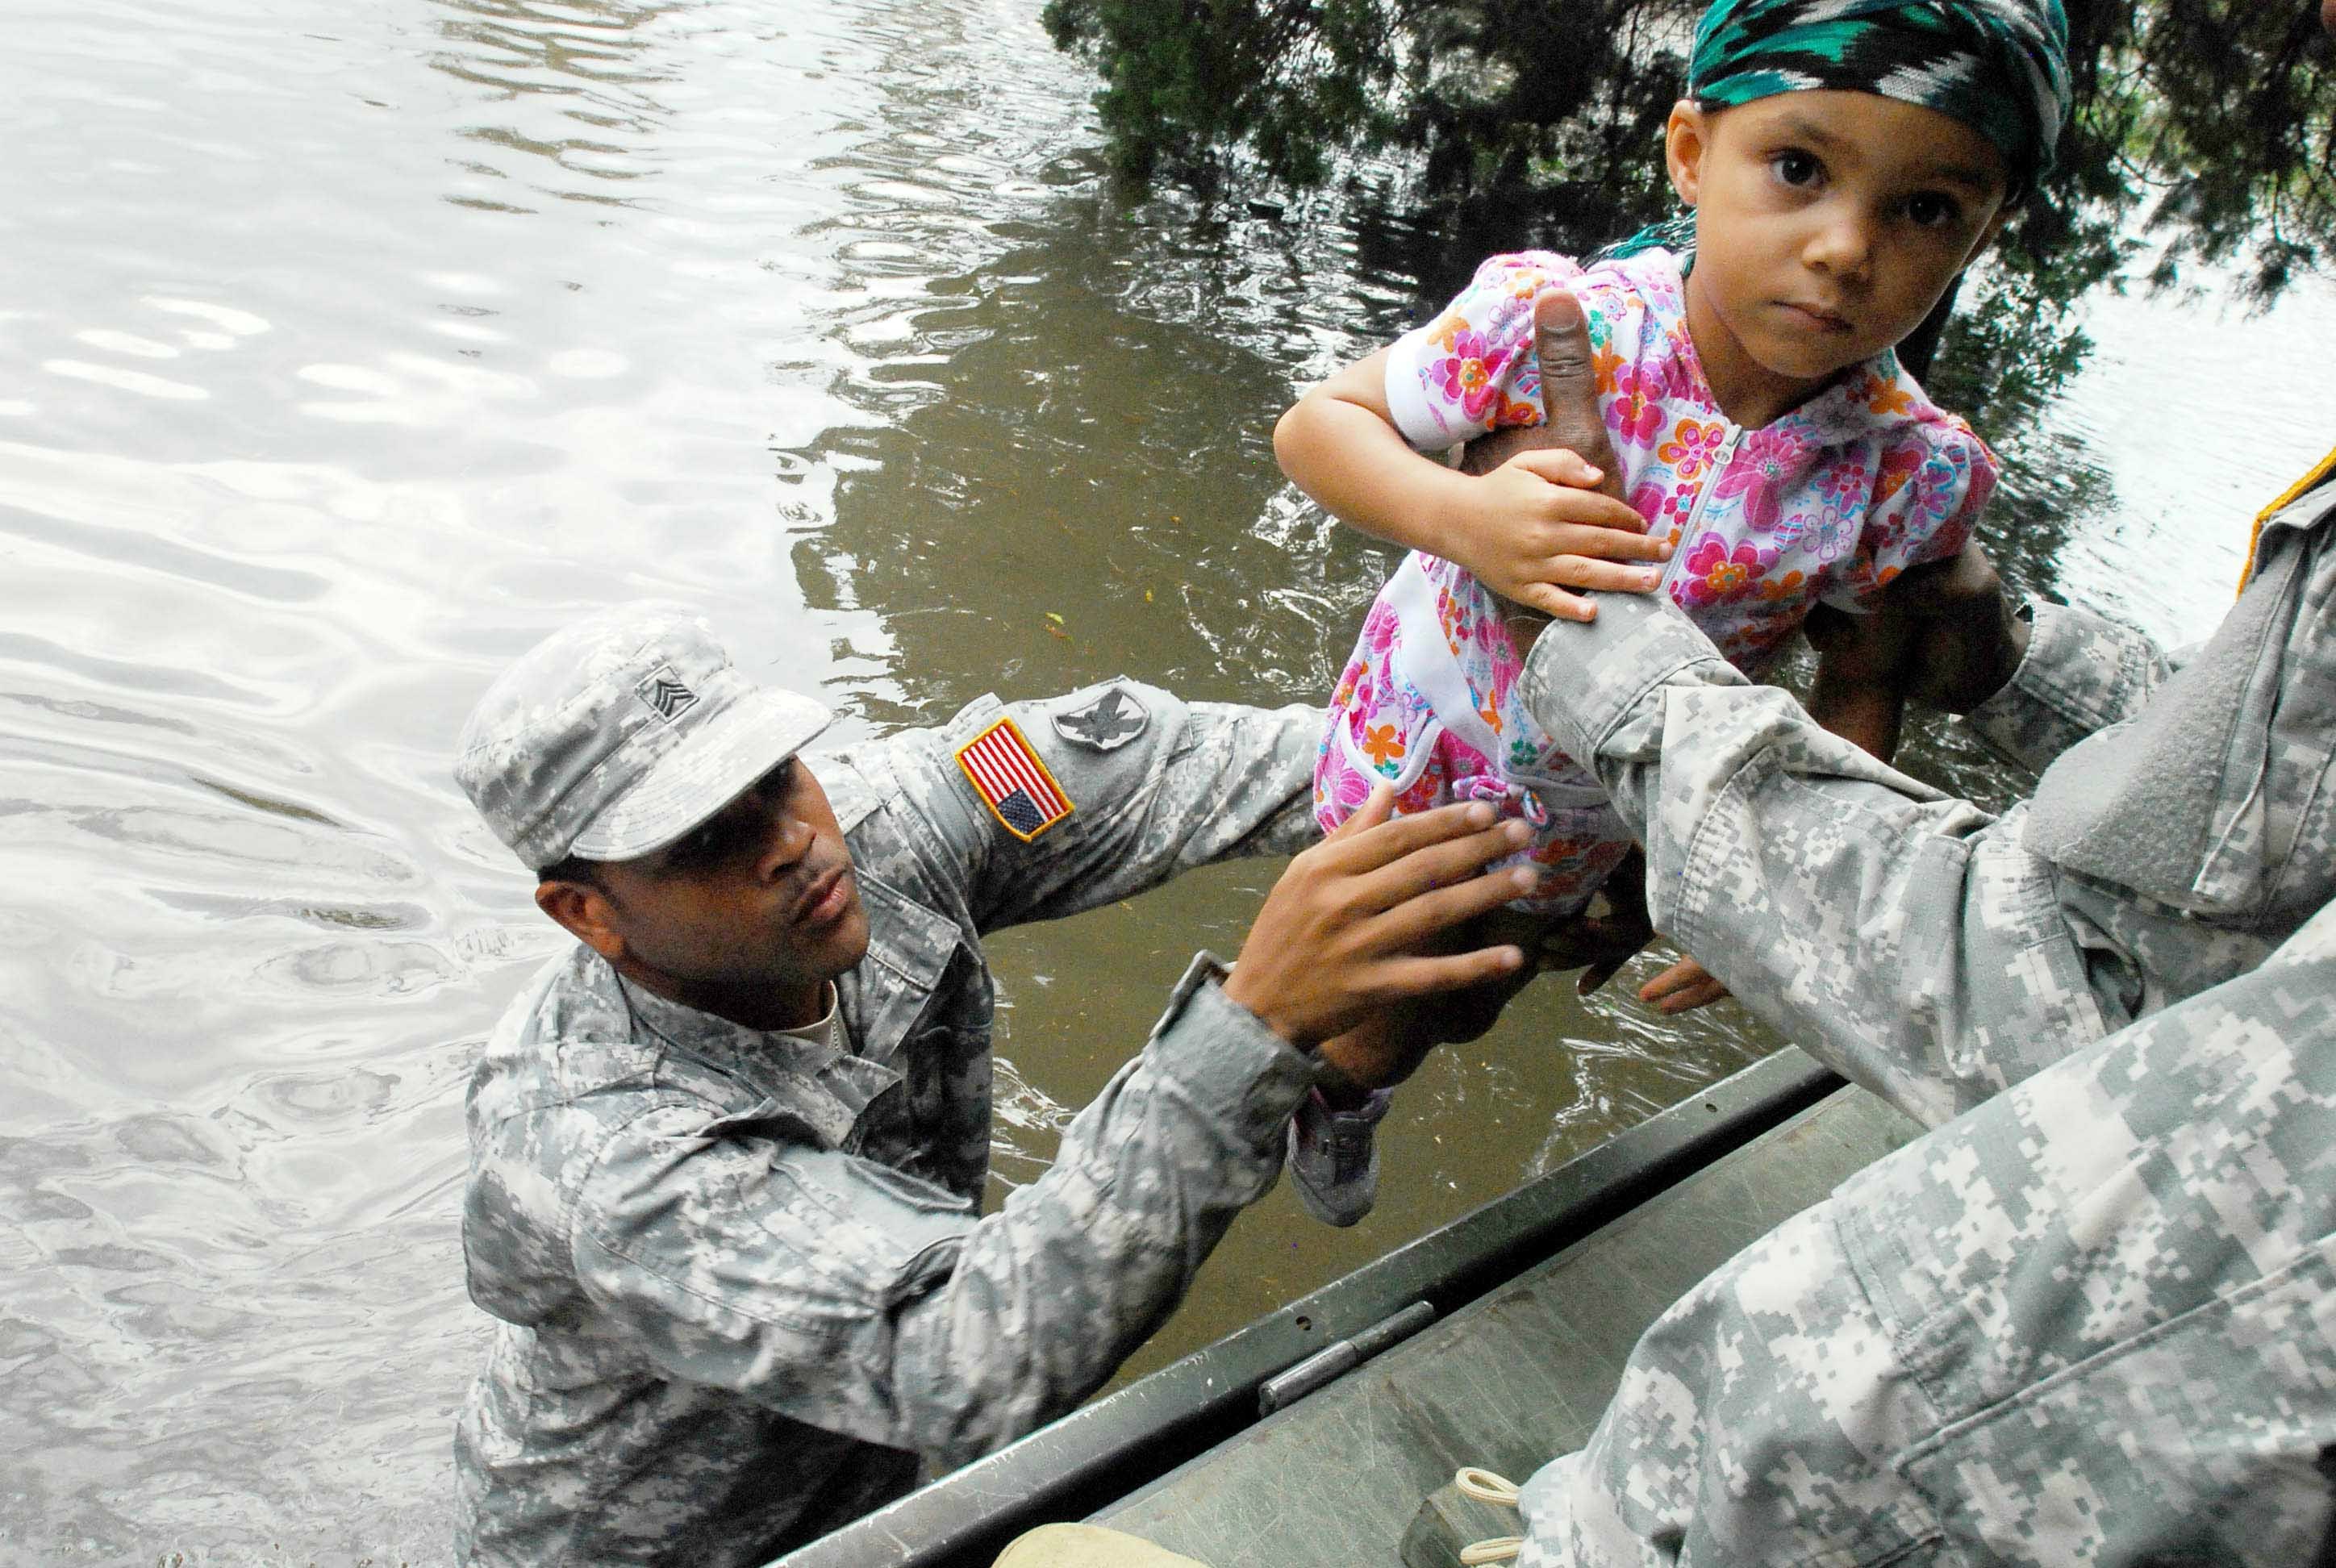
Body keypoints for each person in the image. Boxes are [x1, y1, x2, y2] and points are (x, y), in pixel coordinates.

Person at [444, 602, 1548, 1567]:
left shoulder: (886, 827)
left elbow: (1170, 762)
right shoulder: (602, 1146)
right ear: (586, 913)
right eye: (705, 838)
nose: (790, 843)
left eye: (777, 776)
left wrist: (1534, 812)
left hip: (883, 1480)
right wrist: (1251, 1028)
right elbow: (973, 1352)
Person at [1270, 0, 2072, 1225]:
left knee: (1486, 986)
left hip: (1604, 813)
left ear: (1984, 231)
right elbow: (1319, 428)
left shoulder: (1903, 470)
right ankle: (1321, 1091)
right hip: (1415, 752)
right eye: (1798, 169)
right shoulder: (1563, 330)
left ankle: (1358, 1083)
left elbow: (1858, 687)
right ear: (1693, 155)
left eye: (1925, 210)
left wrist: (1785, 877)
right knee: (1380, 983)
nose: (1848, 249)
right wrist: (1463, 519)